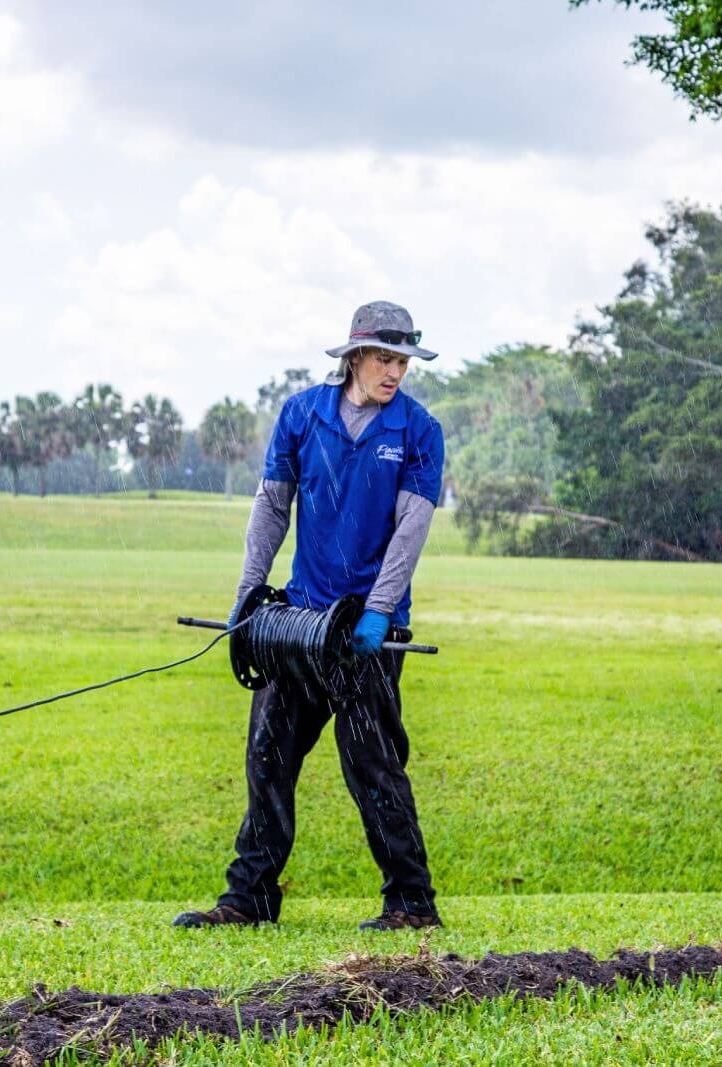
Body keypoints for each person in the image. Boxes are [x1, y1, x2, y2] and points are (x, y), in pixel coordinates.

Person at [173, 300, 446, 932]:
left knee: (373, 766)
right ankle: (248, 900)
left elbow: (411, 530)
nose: (394, 371)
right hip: (298, 624)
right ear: (353, 356)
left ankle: (411, 903)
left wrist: (378, 615)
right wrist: (248, 594)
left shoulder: (417, 430)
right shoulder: (302, 415)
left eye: (403, 360)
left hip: (366, 635)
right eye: (384, 357)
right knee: (267, 756)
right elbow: (272, 507)